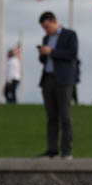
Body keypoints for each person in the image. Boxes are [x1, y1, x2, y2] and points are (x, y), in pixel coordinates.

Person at [36, 11, 78, 158]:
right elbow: (44, 60)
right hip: (48, 79)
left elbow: (72, 54)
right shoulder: (46, 38)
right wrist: (43, 54)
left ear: (53, 21)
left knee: (65, 116)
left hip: (64, 80)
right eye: (43, 28)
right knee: (51, 116)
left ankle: (66, 151)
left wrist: (52, 52)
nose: (46, 31)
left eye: (47, 27)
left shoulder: (70, 35)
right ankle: (52, 150)